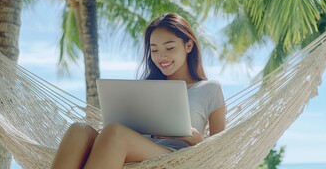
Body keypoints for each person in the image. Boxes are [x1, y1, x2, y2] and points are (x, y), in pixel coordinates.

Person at [51, 13, 227, 169]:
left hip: (177, 157)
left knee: (115, 133)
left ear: (188, 46)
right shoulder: (146, 89)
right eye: (154, 50)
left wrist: (192, 136)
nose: (161, 56)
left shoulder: (210, 88)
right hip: (134, 148)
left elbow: (220, 153)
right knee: (79, 129)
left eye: (170, 48)